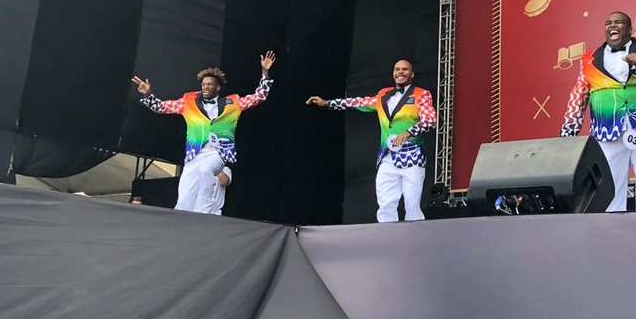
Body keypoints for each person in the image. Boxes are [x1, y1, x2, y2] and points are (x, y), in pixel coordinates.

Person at [131, 51, 275, 215]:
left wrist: (265, 73)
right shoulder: (189, 102)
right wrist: (148, 94)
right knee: (185, 191)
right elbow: (162, 107)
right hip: (195, 154)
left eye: (209, 84)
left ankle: (203, 213)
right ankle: (180, 220)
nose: (205, 87)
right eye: (203, 84)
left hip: (219, 151)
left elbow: (259, 97)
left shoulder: (232, 103)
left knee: (206, 170)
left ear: (218, 87)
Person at [560, 11, 636, 212]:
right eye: (609, 23)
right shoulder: (588, 59)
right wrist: (569, 133)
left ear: (630, 29)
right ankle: (614, 235)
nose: (613, 25)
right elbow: (578, 96)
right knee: (607, 188)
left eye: (619, 22)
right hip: (605, 134)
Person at [307, 59, 436, 223]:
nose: (400, 72)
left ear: (412, 74)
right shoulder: (383, 94)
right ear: (393, 73)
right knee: (385, 203)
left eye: (405, 69)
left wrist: (409, 132)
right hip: (387, 157)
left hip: (412, 156)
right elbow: (359, 102)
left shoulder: (421, 94)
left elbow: (430, 120)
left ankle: (415, 242)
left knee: (411, 204)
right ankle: (386, 240)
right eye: (397, 69)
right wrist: (329, 103)